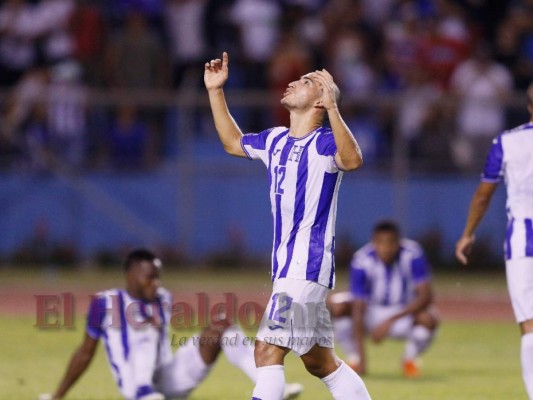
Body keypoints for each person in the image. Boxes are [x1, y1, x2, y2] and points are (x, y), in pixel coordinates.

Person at [204, 52, 372, 400]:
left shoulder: (325, 142)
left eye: (307, 81)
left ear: (320, 101)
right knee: (320, 362)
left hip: (306, 267)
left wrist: (335, 109)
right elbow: (232, 143)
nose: (295, 81)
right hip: (288, 268)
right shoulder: (276, 139)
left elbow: (353, 159)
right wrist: (215, 91)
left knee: (266, 349)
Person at [39, 249, 303, 400]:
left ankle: (268, 387)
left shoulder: (162, 298)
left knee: (223, 325)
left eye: (158, 278)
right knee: (142, 337)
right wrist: (57, 395)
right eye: (149, 278)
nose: (156, 284)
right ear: (130, 276)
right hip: (135, 385)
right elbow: (86, 351)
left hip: (166, 375)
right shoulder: (104, 303)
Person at [456, 82, 533, 399]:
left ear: (528, 106)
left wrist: (467, 233)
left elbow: (483, 194)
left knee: (529, 324)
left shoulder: (507, 142)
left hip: (523, 239)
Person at [328, 220, 439, 378]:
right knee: (338, 306)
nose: (386, 248)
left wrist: (390, 321)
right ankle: (354, 359)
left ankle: (409, 359)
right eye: (381, 243)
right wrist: (362, 359)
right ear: (374, 242)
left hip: (403, 311)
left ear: (399, 242)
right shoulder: (362, 260)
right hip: (371, 312)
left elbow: (426, 296)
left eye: (391, 243)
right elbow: (358, 307)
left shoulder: (412, 254)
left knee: (429, 318)